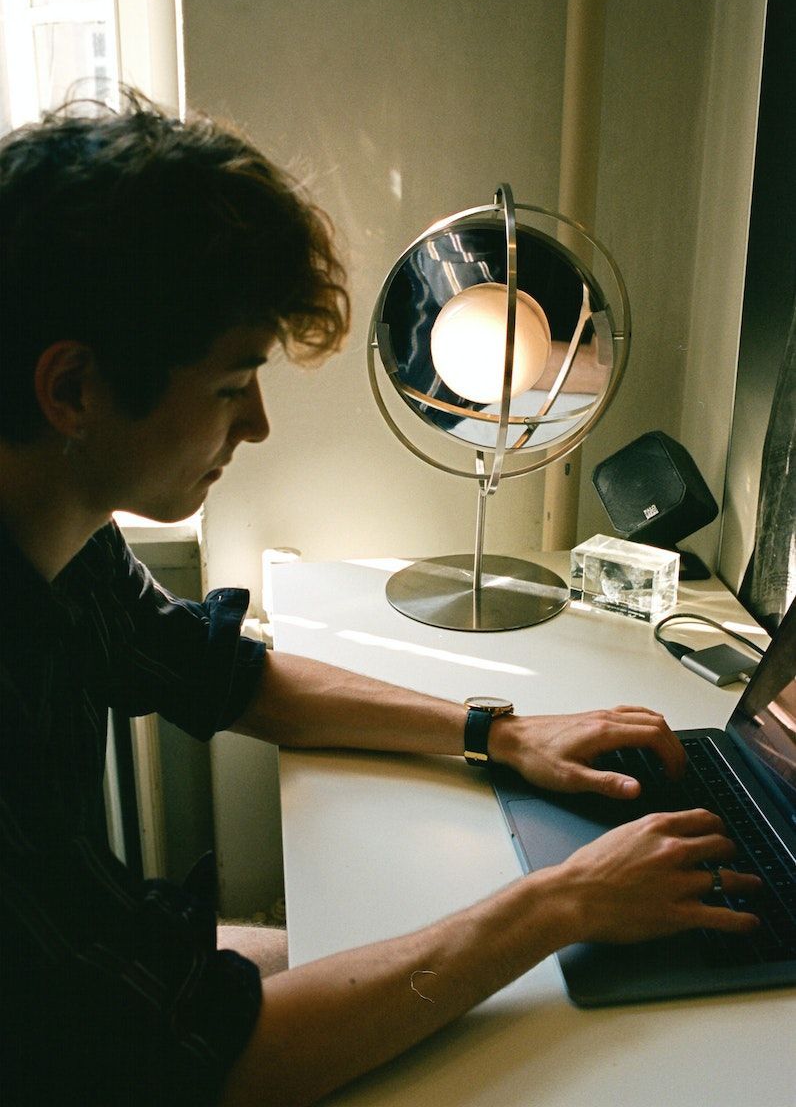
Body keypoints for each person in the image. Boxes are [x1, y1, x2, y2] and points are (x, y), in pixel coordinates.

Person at [0, 91, 761, 1107]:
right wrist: (554, 907)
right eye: (233, 387)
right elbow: (193, 1062)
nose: (259, 427)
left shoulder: (62, 527)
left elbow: (224, 674)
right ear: (73, 391)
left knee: (344, 951)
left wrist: (499, 732)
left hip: (89, 1011)